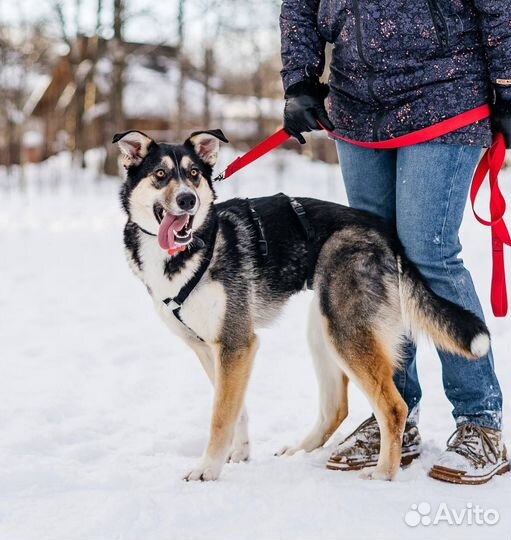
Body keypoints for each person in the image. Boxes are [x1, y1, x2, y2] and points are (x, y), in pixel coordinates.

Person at [280, 0, 510, 484]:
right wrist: (299, 80)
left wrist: (508, 83)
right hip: (356, 105)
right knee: (371, 259)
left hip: (446, 90)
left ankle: (480, 422)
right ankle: (394, 417)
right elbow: (299, 6)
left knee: (428, 251)